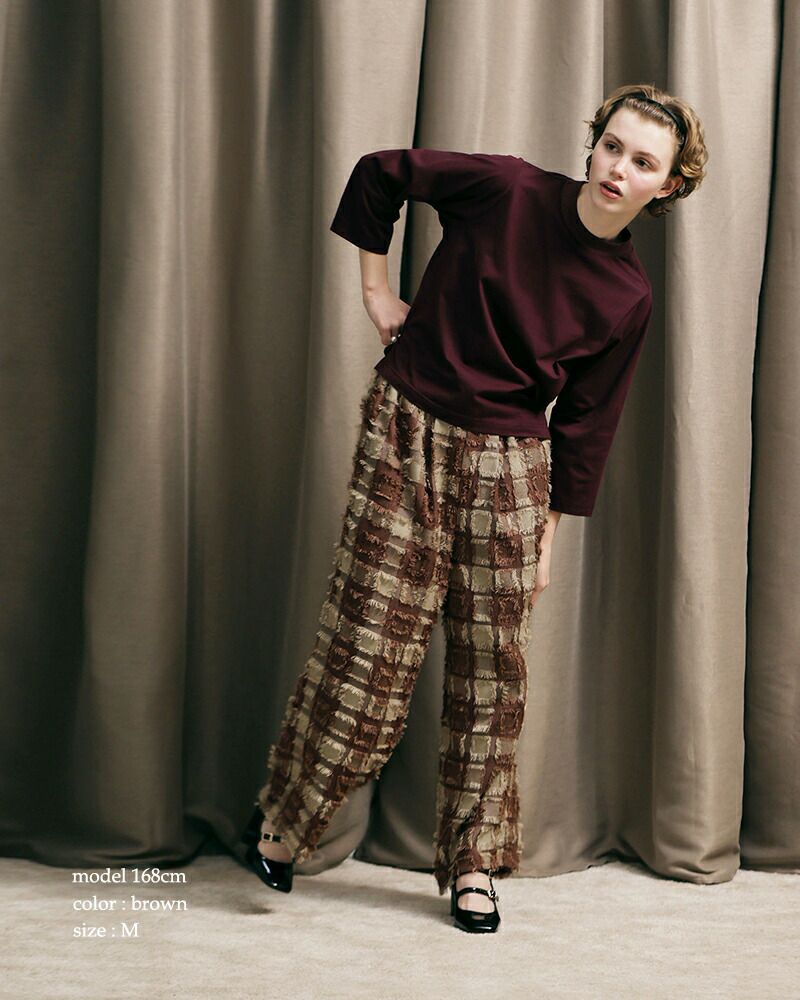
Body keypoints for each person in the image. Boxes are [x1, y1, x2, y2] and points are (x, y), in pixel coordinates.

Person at [242, 82, 708, 933]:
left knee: (493, 673)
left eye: (643, 162)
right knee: (367, 644)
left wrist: (549, 539)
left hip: (514, 468)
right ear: (594, 142)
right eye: (612, 146)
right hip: (408, 428)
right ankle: (285, 821)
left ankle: (473, 865)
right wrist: (376, 292)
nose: (619, 168)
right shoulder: (508, 188)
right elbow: (380, 172)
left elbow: (588, 424)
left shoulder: (628, 295)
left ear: (667, 186)